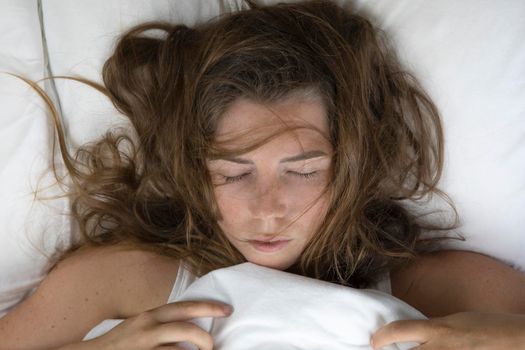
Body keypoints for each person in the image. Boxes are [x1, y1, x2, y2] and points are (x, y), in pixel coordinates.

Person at [1, 0, 524, 349]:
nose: (268, 207)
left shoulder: (453, 287)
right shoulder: (120, 279)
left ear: (351, 164)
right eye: (232, 174)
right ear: (191, 169)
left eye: (303, 171)